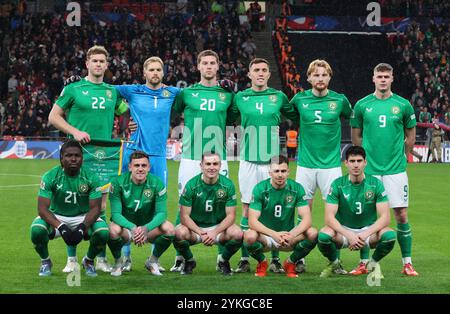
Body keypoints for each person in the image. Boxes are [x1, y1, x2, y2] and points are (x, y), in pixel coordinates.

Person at [48, 45, 127, 273]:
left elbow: (125, 111)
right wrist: (74, 131)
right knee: (72, 206)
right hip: (76, 155)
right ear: (87, 64)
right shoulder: (73, 88)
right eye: (95, 61)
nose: (99, 64)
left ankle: (98, 257)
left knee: (100, 207)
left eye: (102, 61)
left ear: (106, 64)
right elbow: (54, 117)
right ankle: (71, 259)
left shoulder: (112, 92)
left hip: (103, 156)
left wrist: (127, 124)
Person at [229, 58, 298, 273]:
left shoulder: (279, 97)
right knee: (247, 208)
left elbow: (298, 115)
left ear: (269, 74)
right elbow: (226, 116)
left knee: (272, 209)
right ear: (249, 74)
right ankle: (245, 258)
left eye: (264, 70)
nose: (260, 73)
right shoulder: (241, 97)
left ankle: (276, 258)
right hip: (248, 160)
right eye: (256, 70)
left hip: (272, 162)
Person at [170, 50, 236, 272]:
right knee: (183, 205)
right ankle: (182, 257)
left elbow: (235, 117)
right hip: (189, 158)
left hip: (219, 159)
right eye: (204, 63)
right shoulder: (187, 93)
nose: (208, 66)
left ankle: (221, 258)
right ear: (198, 66)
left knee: (221, 205)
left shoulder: (226, 94)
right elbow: (171, 110)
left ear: (218, 67)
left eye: (212, 63)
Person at [351, 63, 418, 276]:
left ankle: (407, 263)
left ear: (392, 79)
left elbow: (411, 136)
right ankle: (363, 263)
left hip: (395, 170)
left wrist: (401, 156)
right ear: (373, 78)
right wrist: (362, 163)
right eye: (379, 76)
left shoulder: (403, 105)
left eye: (386, 76)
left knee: (401, 214)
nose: (382, 79)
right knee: (366, 217)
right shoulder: (362, 105)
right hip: (370, 171)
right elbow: (356, 136)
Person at [114, 56, 180, 272]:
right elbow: (105, 92)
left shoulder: (172, 93)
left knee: (157, 203)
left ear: (163, 72)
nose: (155, 73)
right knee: (124, 201)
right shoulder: (132, 91)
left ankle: (153, 259)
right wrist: (123, 115)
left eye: (158, 69)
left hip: (158, 154)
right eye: (151, 69)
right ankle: (125, 257)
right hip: (133, 151)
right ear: (144, 72)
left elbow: (196, 94)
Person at [289, 59, 355, 274]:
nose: (320, 78)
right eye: (316, 75)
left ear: (329, 77)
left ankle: (335, 261)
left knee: (333, 216)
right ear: (308, 78)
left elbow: (354, 119)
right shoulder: (299, 99)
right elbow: (287, 115)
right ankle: (300, 258)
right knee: (302, 213)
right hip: (305, 165)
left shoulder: (340, 100)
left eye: (324, 75)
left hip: (331, 167)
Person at [30, 140, 109, 277]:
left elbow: (96, 209)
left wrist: (82, 227)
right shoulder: (50, 176)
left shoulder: (91, 177)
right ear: (61, 158)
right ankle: (45, 262)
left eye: (77, 155)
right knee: (36, 230)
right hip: (57, 216)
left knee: (103, 233)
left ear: (82, 158)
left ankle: (88, 261)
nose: (73, 159)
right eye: (68, 155)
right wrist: (61, 227)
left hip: (83, 215)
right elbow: (42, 209)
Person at [318, 146, 396, 280]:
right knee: (323, 236)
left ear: (365, 162)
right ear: (346, 163)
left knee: (389, 235)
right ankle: (335, 264)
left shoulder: (376, 184)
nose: (356, 165)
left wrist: (364, 234)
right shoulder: (337, 184)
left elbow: (385, 218)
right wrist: (349, 235)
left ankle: (372, 264)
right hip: (344, 232)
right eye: (352, 161)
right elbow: (329, 218)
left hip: (368, 233)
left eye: (359, 161)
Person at [244, 155, 317, 277]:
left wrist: (291, 234)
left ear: (288, 172)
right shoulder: (260, 189)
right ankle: (262, 262)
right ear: (270, 172)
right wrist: (274, 234)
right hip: (266, 237)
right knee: (249, 236)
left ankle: (291, 262)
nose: (280, 175)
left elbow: (307, 219)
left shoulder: (296, 188)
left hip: (289, 237)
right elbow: (252, 221)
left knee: (313, 233)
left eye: (283, 171)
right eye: (276, 171)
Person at [173, 152, 243, 275]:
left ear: (220, 165)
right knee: (178, 233)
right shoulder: (191, 185)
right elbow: (184, 216)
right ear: (201, 165)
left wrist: (214, 232)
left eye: (215, 164)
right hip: (195, 229)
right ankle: (189, 260)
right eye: (208, 164)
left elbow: (231, 215)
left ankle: (223, 260)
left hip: (219, 229)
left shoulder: (227, 185)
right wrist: (202, 233)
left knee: (237, 234)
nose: (212, 167)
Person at [107, 151, 174, 276]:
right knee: (112, 229)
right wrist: (132, 227)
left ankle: (152, 261)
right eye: (137, 165)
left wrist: (146, 228)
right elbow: (115, 214)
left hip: (148, 230)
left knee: (169, 228)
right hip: (127, 230)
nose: (140, 169)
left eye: (144, 165)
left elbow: (162, 213)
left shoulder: (157, 183)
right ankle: (118, 262)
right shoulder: (117, 183)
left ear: (149, 167)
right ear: (130, 167)